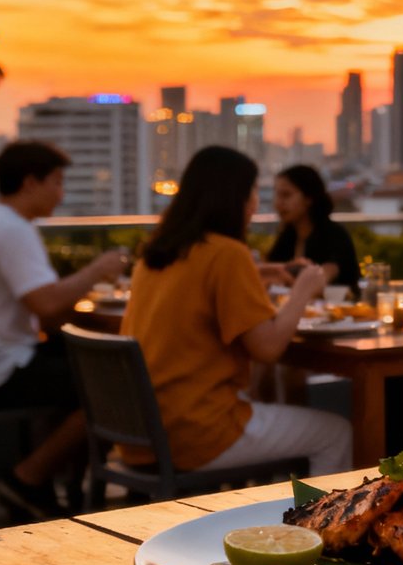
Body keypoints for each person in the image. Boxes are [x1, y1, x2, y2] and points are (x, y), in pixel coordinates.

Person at [122, 147, 351, 476]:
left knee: (285, 412)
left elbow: (199, 287)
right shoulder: (228, 254)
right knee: (336, 433)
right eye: (254, 191)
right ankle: (322, 527)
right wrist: (302, 291)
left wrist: (264, 272)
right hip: (199, 433)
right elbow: (268, 348)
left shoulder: (157, 254)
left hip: (144, 433)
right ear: (237, 197)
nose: (257, 201)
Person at [0, 140, 128, 520]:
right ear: (29, 183)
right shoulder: (11, 230)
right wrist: (97, 270)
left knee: (86, 371)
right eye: (56, 182)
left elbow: (48, 316)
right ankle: (28, 479)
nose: (61, 192)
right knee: (112, 386)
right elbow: (48, 306)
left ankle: (54, 483)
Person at [259, 164, 360, 292]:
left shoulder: (333, 235)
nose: (278, 203)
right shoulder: (288, 236)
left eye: (286, 195)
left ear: (308, 198)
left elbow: (327, 276)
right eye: (277, 195)